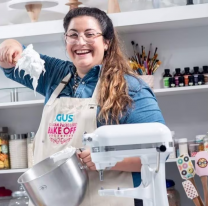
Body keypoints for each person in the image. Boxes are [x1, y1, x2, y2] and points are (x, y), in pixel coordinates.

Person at [0, 7, 165, 206]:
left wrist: (106, 159)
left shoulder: (131, 88)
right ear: (65, 40)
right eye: (73, 35)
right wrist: (10, 44)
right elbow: (13, 64)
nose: (80, 42)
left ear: (106, 42)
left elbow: (158, 152)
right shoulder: (55, 74)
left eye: (89, 34)